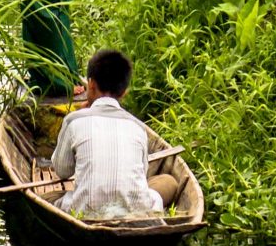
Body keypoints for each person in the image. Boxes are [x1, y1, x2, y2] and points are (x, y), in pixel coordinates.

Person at [49, 49, 180, 222]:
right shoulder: (138, 127)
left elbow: (62, 171)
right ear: (124, 92)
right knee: (169, 182)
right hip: (136, 214)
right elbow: (143, 173)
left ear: (91, 85)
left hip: (85, 212)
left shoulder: (74, 120)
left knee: (48, 199)